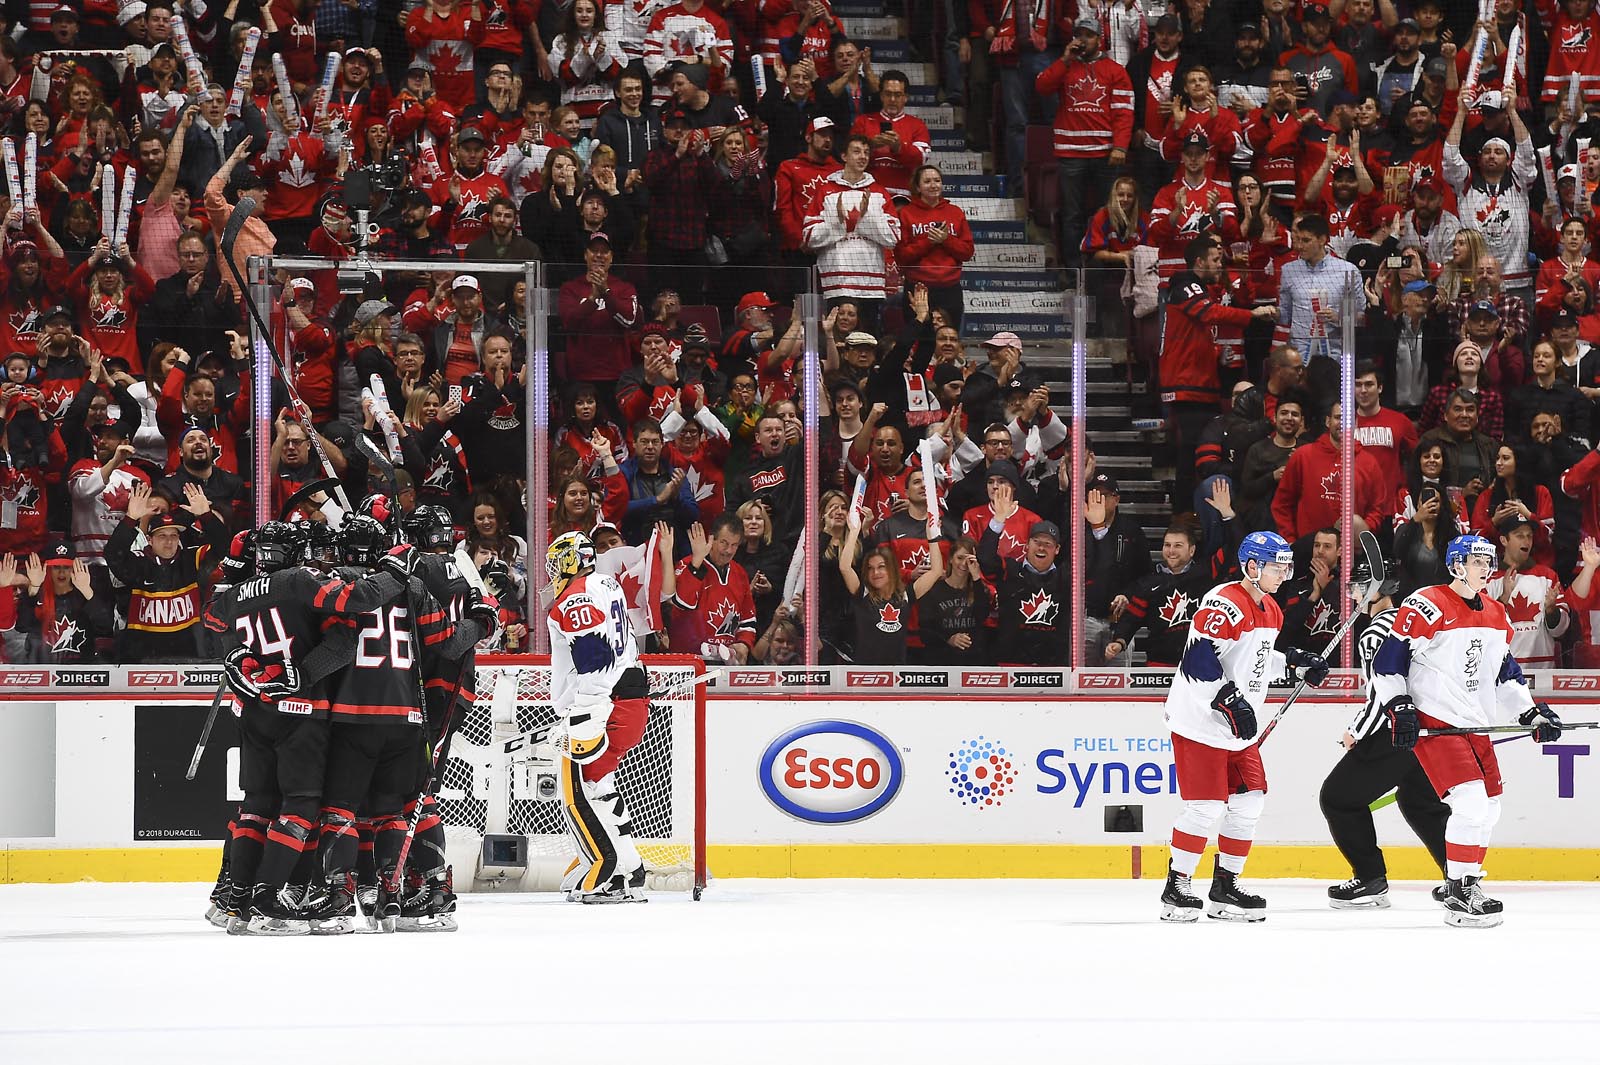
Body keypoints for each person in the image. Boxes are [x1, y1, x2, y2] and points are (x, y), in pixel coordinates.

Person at [1369, 534, 1564, 926]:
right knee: (1471, 802)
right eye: (1477, 561)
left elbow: (1506, 675)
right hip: (1437, 722)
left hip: (1477, 722)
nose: (1485, 569)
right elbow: (1388, 663)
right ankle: (1460, 891)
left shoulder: (1496, 612)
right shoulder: (1427, 603)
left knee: (1490, 807)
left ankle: (1464, 880)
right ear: (1457, 565)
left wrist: (1530, 714)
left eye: (1488, 562)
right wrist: (1400, 706)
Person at [1158, 531, 1329, 922]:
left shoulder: (1272, 609)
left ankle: (1225, 887)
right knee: (1204, 807)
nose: (1284, 573)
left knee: (1250, 802)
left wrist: (1293, 662)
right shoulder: (1223, 603)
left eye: (1287, 565)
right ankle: (1177, 885)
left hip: (1238, 728)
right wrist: (1228, 700)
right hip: (1201, 723)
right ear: (1252, 567)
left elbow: (1256, 660)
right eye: (1276, 566)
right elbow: (1200, 659)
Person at [1319, 599, 1452, 910]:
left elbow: (1384, 690)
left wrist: (1358, 729)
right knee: (1420, 802)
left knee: (1338, 798)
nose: (1351, 593)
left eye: (1357, 585)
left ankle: (1369, 879)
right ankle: (1460, 876)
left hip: (1394, 732)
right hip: (1430, 731)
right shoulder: (1420, 622)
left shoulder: (1377, 630)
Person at [544, 530, 653, 902]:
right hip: (627, 698)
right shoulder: (606, 582)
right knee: (601, 787)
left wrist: (584, 711)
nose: (554, 570)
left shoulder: (575, 599)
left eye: (559, 561)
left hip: (606, 703)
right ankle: (630, 867)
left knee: (583, 791)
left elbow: (597, 662)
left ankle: (608, 872)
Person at [1035, 16, 1134, 271]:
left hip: (1105, 153)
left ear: (1099, 39)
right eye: (1079, 34)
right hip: (1071, 153)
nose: (1083, 40)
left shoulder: (1116, 71)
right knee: (1072, 215)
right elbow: (1042, 86)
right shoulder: (1065, 65)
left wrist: (1120, 146)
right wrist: (1065, 60)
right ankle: (1073, 269)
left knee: (1110, 212)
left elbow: (1124, 112)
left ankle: (1107, 267)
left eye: (1088, 35)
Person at [838, 498, 944, 665]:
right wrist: (853, 532)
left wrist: (932, 538)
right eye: (870, 568)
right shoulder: (862, 593)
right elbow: (845, 567)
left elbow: (936, 571)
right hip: (864, 674)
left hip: (897, 674)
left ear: (892, 570)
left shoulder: (906, 595)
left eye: (881, 567)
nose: (876, 572)